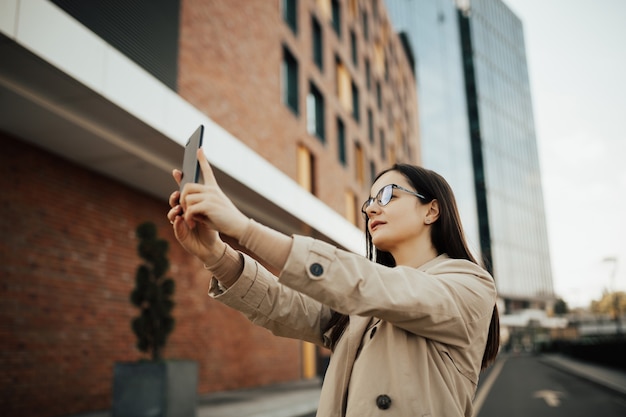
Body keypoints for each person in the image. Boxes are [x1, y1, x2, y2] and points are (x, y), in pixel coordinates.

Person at [167, 148, 500, 417]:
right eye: (369, 202)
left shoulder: (470, 284)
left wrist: (245, 228)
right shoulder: (363, 305)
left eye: (386, 195)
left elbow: (386, 289)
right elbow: (284, 305)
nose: (371, 209)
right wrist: (216, 252)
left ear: (432, 211)